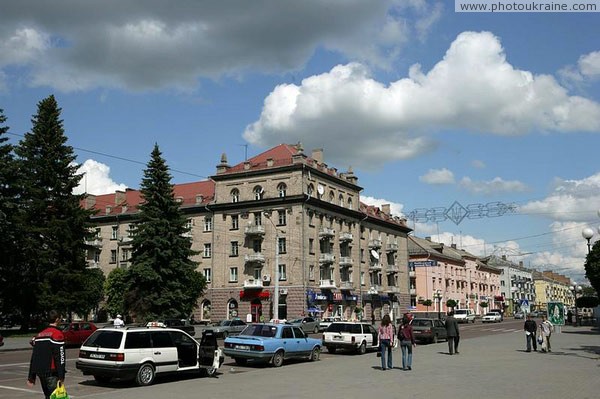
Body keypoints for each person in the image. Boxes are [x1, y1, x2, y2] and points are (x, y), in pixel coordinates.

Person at [27, 310, 66, 399]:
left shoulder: (40, 335)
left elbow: (34, 356)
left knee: (48, 396)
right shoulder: (57, 334)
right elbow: (60, 357)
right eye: (60, 319)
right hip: (52, 373)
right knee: (56, 397)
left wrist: (31, 376)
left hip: (41, 372)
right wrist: (61, 375)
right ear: (57, 319)